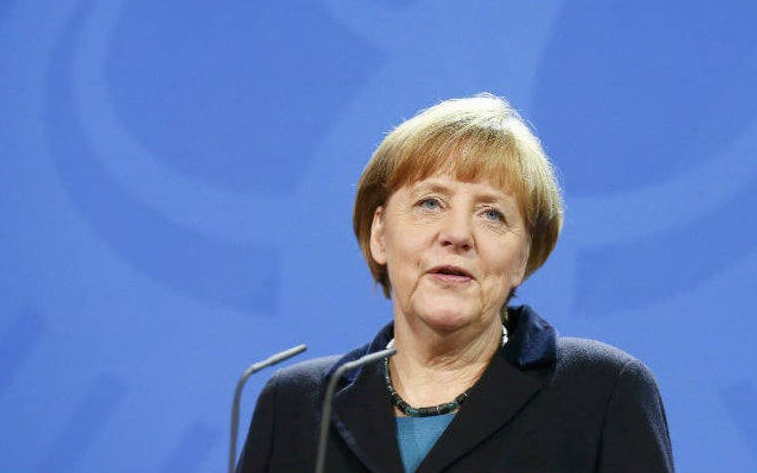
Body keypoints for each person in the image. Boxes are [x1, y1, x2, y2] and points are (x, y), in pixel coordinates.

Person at [237, 94, 674, 472]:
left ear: (523, 257)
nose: (458, 234)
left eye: (492, 214)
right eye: (430, 203)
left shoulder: (602, 393)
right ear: (379, 234)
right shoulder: (294, 406)